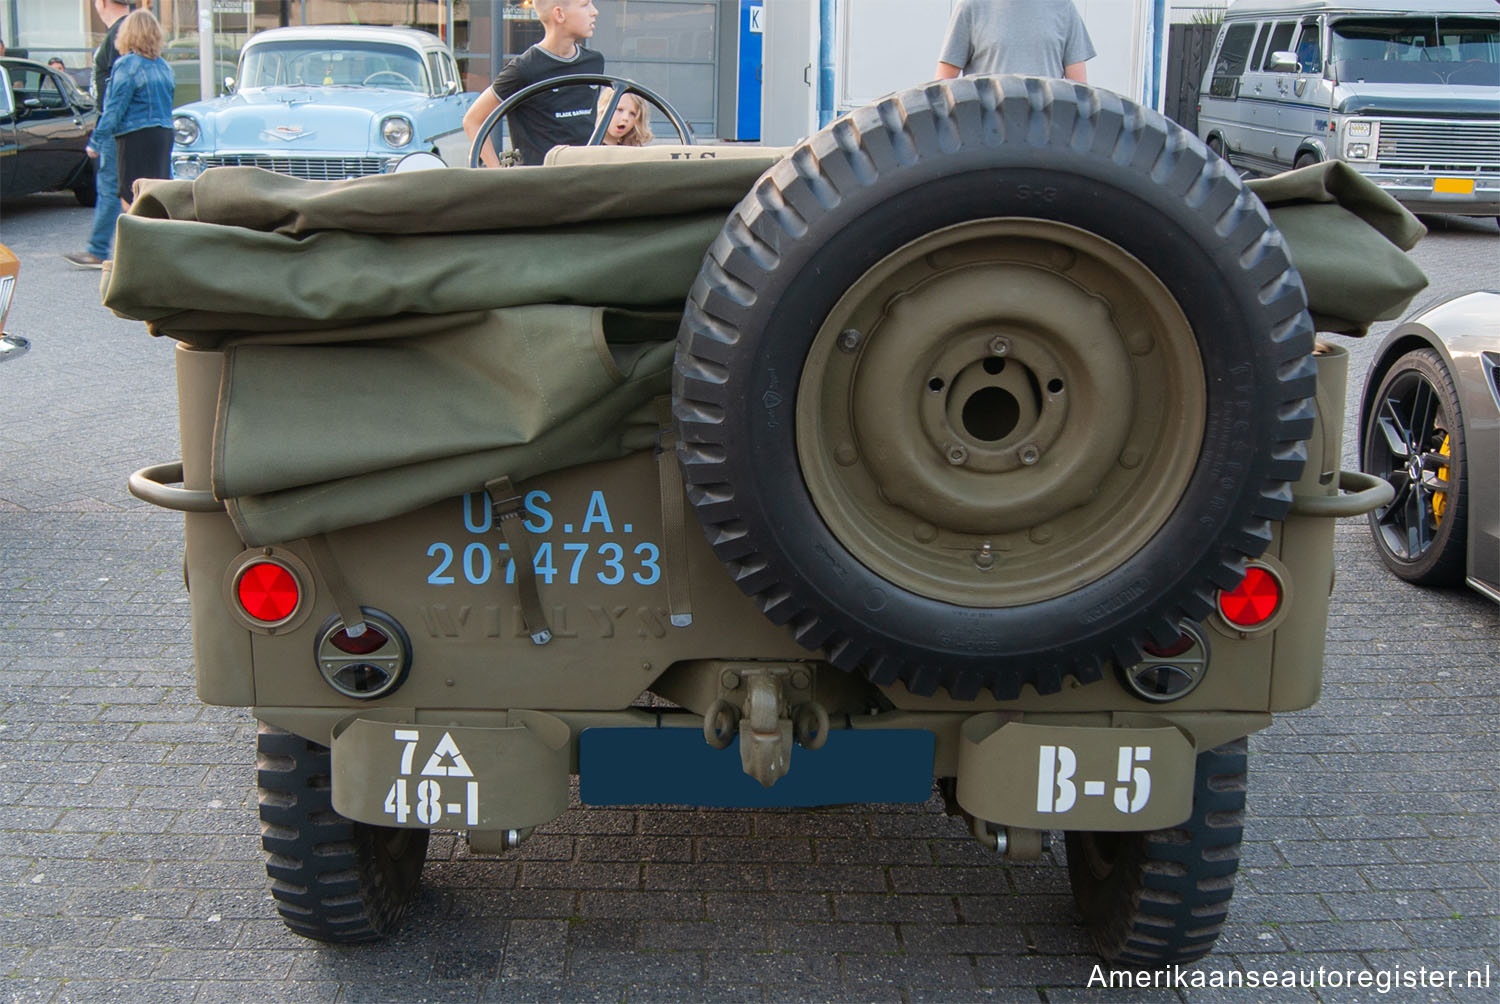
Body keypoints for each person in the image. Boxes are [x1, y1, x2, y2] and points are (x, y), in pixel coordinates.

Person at [462, 0, 602, 166]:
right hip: (539, 183)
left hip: (586, 177)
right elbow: (472, 120)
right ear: (559, 14)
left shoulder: (594, 62)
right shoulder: (524, 69)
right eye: (585, 5)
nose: (594, 12)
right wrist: (497, 172)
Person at [64, 0, 137, 270]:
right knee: (132, 188)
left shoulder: (119, 35)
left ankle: (98, 250)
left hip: (115, 127)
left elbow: (116, 95)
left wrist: (101, 133)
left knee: (111, 188)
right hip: (127, 127)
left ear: (102, 3)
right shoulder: (130, 30)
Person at [85, 8, 173, 214]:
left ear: (128, 34)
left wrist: (96, 141)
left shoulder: (126, 64)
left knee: (130, 198)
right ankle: (157, 242)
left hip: (135, 137)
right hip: (163, 135)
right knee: (156, 195)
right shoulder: (164, 66)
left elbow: (114, 108)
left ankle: (136, 243)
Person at [934, 0, 1095, 84]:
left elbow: (1080, 94)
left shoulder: (1063, 7)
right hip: (986, 141)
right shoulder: (970, 6)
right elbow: (942, 89)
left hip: (1045, 142)